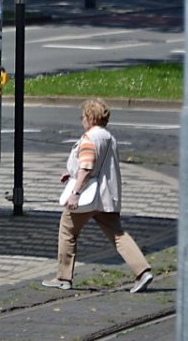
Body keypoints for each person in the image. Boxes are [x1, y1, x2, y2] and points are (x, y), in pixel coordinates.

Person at [42, 99, 153, 293]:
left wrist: (75, 193)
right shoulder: (108, 137)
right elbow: (98, 165)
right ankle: (143, 271)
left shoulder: (89, 138)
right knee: (118, 234)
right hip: (106, 196)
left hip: (87, 196)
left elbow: (87, 167)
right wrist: (72, 174)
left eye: (83, 117)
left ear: (91, 118)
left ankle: (63, 277)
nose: (82, 120)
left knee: (67, 230)